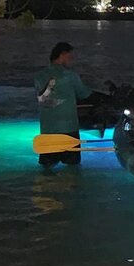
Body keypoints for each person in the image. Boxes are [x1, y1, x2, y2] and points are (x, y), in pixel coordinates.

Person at [34, 42, 92, 171]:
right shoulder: (71, 76)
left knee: (47, 169)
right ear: (63, 55)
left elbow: (42, 98)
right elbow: (84, 93)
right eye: (70, 58)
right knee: (72, 169)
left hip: (48, 129)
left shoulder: (39, 76)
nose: (71, 61)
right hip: (68, 128)